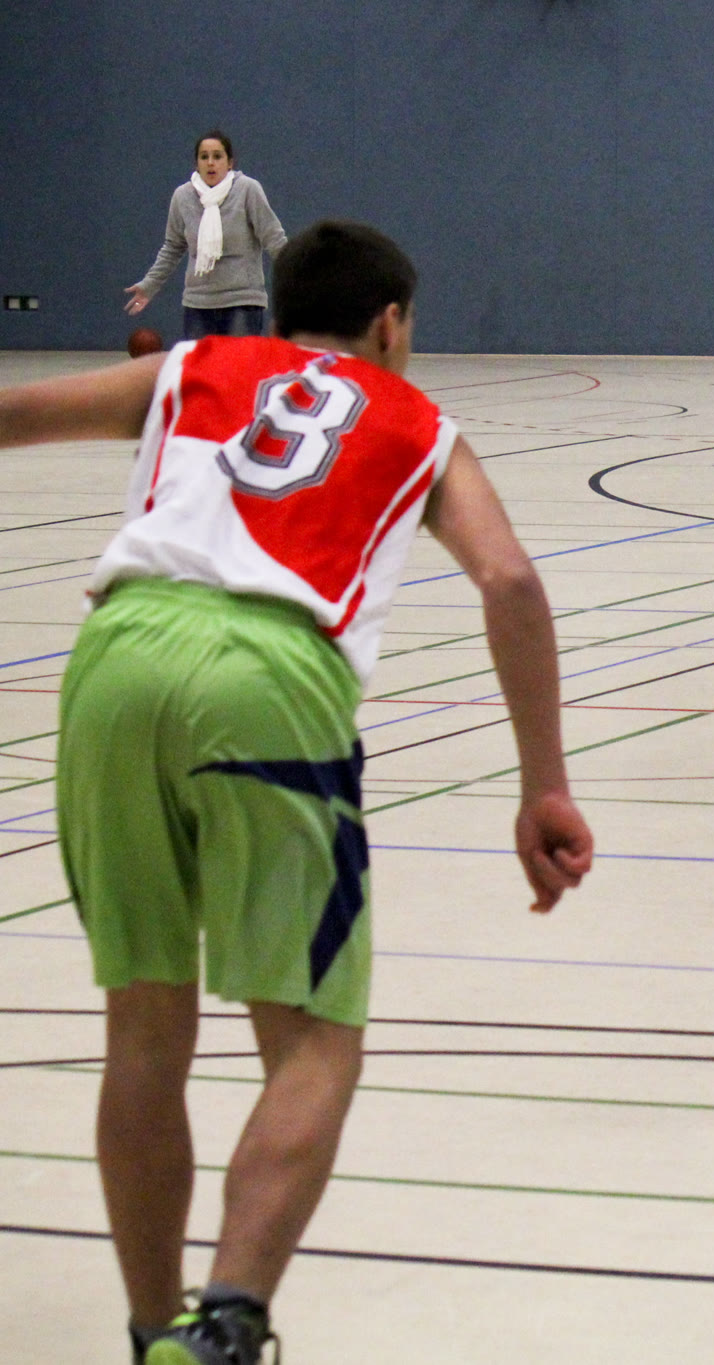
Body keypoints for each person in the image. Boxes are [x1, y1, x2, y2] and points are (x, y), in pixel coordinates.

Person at [0, 220, 596, 1364]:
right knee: (314, 1043)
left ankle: (154, 1332)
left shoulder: (194, 366)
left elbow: (11, 414)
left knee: (144, 1030)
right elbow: (511, 580)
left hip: (115, 659)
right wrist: (543, 786)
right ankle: (228, 1325)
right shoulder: (416, 418)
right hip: (269, 679)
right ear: (391, 323)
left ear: (281, 314)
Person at [125, 130, 290, 342]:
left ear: (230, 163)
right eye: (204, 157)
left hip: (242, 303)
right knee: (201, 365)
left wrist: (300, 279)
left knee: (238, 364)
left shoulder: (248, 189)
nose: (211, 163)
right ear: (197, 164)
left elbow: (273, 238)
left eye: (217, 156)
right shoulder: (183, 196)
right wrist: (149, 285)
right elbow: (173, 248)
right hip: (198, 305)